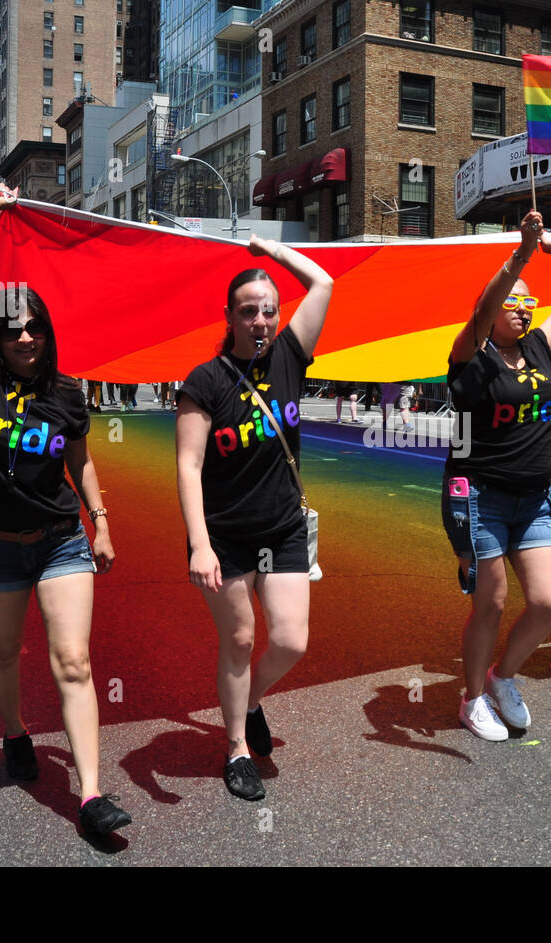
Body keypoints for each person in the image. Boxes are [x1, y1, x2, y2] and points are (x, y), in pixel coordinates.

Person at [0, 181, 130, 835]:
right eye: (14, 328)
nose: (25, 337)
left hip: (59, 539)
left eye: (35, 328)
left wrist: (99, 522)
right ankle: (16, 730)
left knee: (73, 661)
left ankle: (89, 795)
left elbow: (79, 460)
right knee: (3, 654)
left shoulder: (66, 392)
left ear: (48, 334)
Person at [176, 234, 334, 801]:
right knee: (240, 638)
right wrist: (200, 545)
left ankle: (251, 699)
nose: (262, 320)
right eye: (249, 312)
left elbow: (323, 283)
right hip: (226, 536)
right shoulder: (206, 382)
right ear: (230, 317)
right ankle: (237, 746)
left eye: (269, 310)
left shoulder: (292, 353)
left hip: (284, 527)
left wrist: (271, 252)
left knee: (291, 642)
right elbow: (189, 467)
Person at [440, 210, 551, 740]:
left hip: (535, 498)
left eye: (528, 303)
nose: (522, 312)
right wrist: (521, 253)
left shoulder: (540, 348)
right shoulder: (470, 355)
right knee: (492, 602)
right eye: (512, 304)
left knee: (547, 602)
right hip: (480, 496)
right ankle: (472, 698)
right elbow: (483, 308)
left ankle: (503, 677)